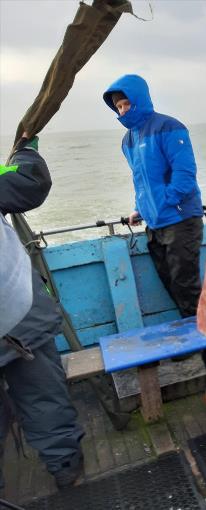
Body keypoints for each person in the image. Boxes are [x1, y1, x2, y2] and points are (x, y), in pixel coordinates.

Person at [0, 135, 85, 494]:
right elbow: (30, 180)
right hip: (18, 319)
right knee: (42, 397)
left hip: (17, 321)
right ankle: (66, 467)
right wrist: (24, 151)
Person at [103, 74, 204, 318]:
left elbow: (185, 173)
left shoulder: (169, 126)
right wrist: (140, 207)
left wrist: (164, 202)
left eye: (126, 103)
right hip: (155, 222)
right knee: (168, 281)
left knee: (185, 284)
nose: (123, 110)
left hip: (181, 219)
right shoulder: (128, 140)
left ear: (139, 98)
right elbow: (142, 181)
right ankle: (193, 339)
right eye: (118, 106)